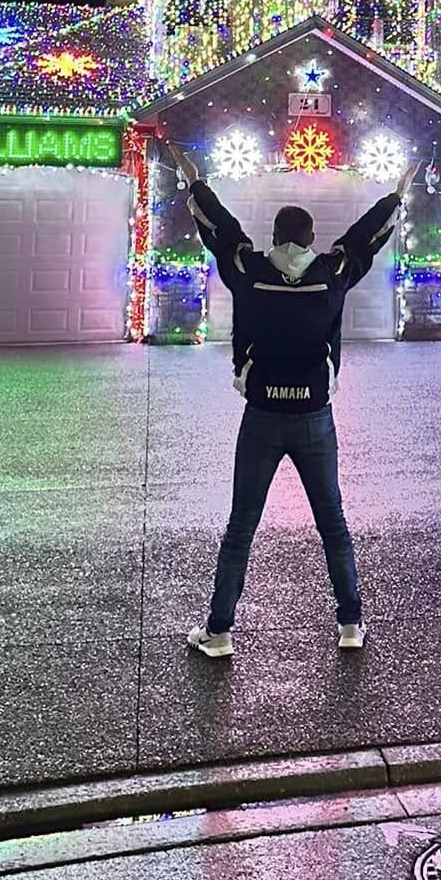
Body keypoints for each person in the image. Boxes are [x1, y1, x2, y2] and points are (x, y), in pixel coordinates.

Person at [168, 143, 416, 659]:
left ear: (276, 237)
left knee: (241, 527)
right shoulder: (331, 274)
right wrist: (396, 196)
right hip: (314, 419)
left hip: (261, 416)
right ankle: (350, 623)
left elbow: (222, 230)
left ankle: (219, 632)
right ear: (309, 240)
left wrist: (195, 182)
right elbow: (363, 240)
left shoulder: (251, 272)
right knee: (333, 522)